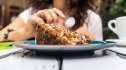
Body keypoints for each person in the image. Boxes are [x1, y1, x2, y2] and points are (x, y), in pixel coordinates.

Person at [0, 0, 103, 41]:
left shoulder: (92, 19)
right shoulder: (34, 13)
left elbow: (100, 53)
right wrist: (24, 32)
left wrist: (90, 41)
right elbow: (1, 36)